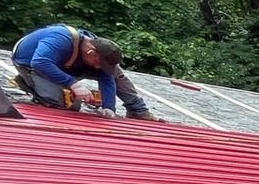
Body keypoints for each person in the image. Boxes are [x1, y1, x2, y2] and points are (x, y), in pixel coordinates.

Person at [10, 24, 157, 119]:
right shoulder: (60, 39)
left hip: (68, 65)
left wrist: (109, 107)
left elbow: (107, 77)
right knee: (69, 105)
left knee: (115, 72)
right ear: (91, 52)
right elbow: (39, 62)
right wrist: (74, 85)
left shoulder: (97, 52)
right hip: (32, 65)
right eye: (98, 63)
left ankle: (137, 110)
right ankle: (31, 85)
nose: (98, 67)